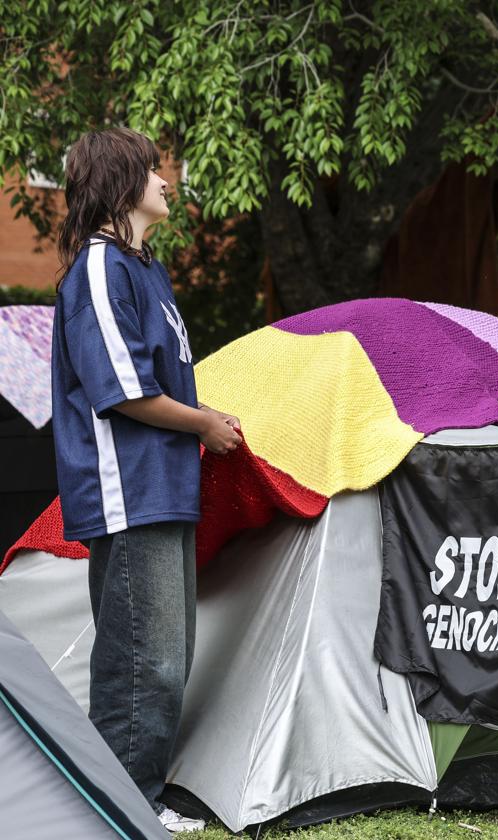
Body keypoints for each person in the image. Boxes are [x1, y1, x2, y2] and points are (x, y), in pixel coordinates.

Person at [52, 128, 243, 833]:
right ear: (120, 181)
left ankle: (136, 798)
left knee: (164, 654)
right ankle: (120, 806)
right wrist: (201, 425)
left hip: (162, 488)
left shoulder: (147, 270)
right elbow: (122, 390)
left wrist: (203, 417)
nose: (168, 180)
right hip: (126, 490)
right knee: (144, 659)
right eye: (154, 170)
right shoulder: (101, 268)